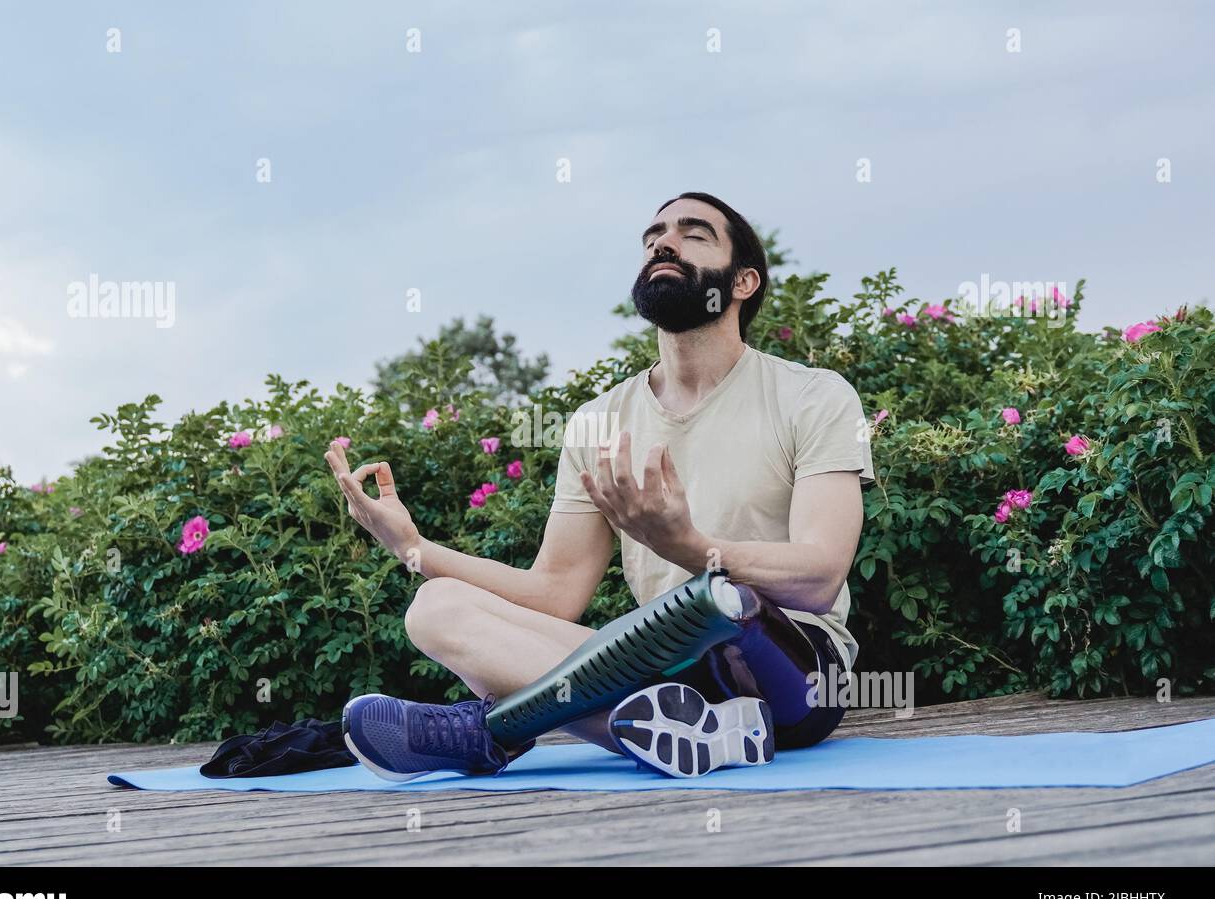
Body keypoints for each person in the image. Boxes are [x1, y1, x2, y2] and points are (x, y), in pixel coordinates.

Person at [325, 191, 874, 780]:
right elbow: (556, 593)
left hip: (793, 673)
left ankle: (489, 731)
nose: (663, 242)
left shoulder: (814, 396)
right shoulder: (599, 421)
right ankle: (694, 732)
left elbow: (820, 578)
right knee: (435, 607)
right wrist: (413, 547)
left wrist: (688, 548)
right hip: (663, 664)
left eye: (694, 233)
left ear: (742, 282)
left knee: (718, 603)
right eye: (654, 235)